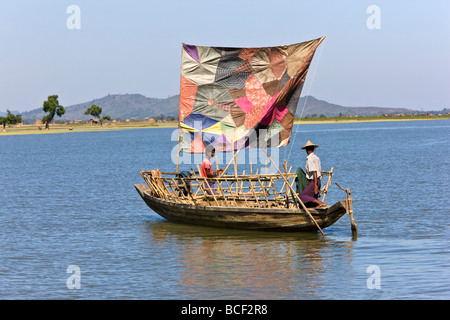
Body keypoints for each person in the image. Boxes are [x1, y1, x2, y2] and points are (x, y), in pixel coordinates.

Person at [299, 140, 327, 208]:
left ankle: (319, 202)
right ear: (313, 149)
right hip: (318, 180)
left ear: (306, 150)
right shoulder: (316, 157)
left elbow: (314, 171)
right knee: (312, 196)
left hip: (313, 181)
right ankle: (317, 205)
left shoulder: (309, 158)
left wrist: (315, 185)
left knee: (302, 196)